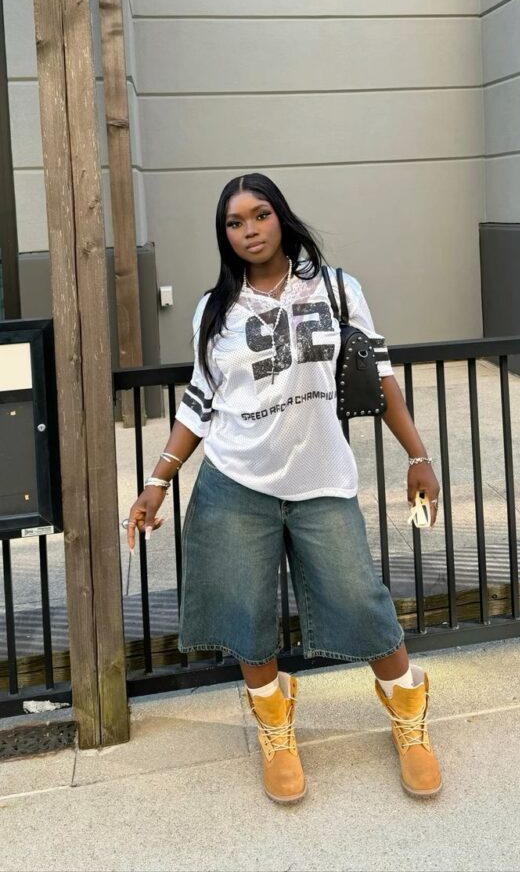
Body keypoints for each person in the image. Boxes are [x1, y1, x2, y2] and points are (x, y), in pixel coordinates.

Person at [127, 172, 442, 805]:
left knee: (360, 601)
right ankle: (275, 728)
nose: (249, 230)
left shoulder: (337, 289)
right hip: (235, 483)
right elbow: (201, 401)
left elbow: (380, 375)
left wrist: (418, 454)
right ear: (224, 235)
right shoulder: (214, 310)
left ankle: (410, 720)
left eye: (260, 215)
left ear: (281, 217)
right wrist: (157, 481)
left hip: (321, 479)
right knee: (246, 614)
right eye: (234, 222)